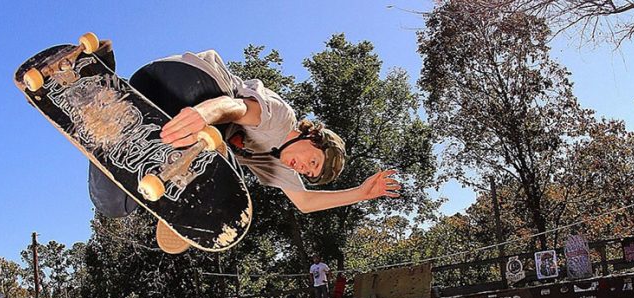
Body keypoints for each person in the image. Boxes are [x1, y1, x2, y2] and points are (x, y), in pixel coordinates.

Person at [89, 49, 401, 224]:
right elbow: (235, 108)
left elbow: (304, 201)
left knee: (115, 203)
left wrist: (361, 194)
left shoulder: (274, 163)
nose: (302, 169)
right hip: (191, 83)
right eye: (312, 162)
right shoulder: (282, 118)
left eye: (308, 173)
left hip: (148, 92)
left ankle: (100, 79)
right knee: (219, 162)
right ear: (312, 137)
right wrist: (203, 114)